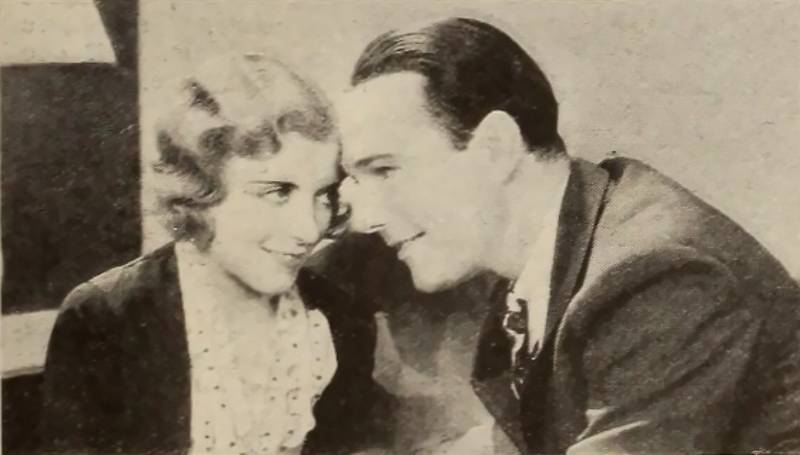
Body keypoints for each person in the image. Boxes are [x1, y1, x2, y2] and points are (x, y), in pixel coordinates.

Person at [336, 17, 800, 454]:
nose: (365, 220)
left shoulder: (656, 274)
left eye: (385, 170)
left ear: (495, 147)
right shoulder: (561, 252)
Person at [40, 54, 391, 455]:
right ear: (200, 189)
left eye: (323, 196)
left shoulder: (339, 318)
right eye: (277, 192)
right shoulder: (106, 316)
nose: (309, 229)